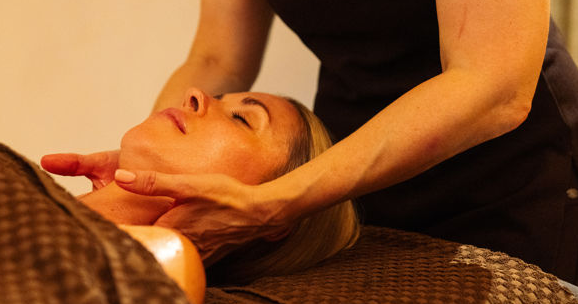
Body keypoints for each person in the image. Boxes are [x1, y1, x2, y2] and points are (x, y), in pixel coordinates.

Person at [45, 0, 578, 290]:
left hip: (505, 181)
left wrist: (277, 202)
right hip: (352, 170)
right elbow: (216, 58)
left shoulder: (181, 258)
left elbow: (493, 86)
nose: (198, 100)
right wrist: (145, 181)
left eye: (242, 117)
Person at [48, 88, 359, 287]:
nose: (194, 93)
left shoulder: (153, 279)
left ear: (269, 212)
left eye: (241, 119)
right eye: (221, 98)